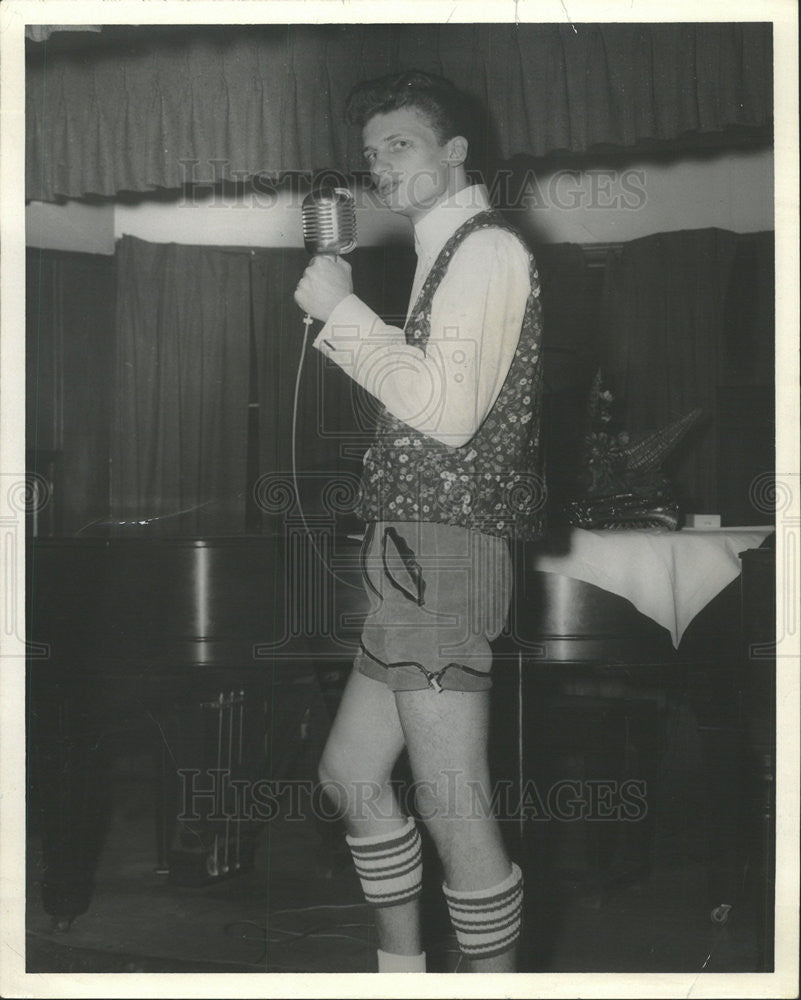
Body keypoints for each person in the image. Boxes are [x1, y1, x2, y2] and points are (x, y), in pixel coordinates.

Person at [293, 70, 545, 973]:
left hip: (446, 552)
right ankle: (401, 975)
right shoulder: (442, 257)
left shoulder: (485, 251)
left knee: (450, 796)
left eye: (398, 144)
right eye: (370, 154)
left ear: (454, 153)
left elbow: (444, 414)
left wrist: (341, 315)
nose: (378, 166)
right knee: (353, 776)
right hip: (409, 550)